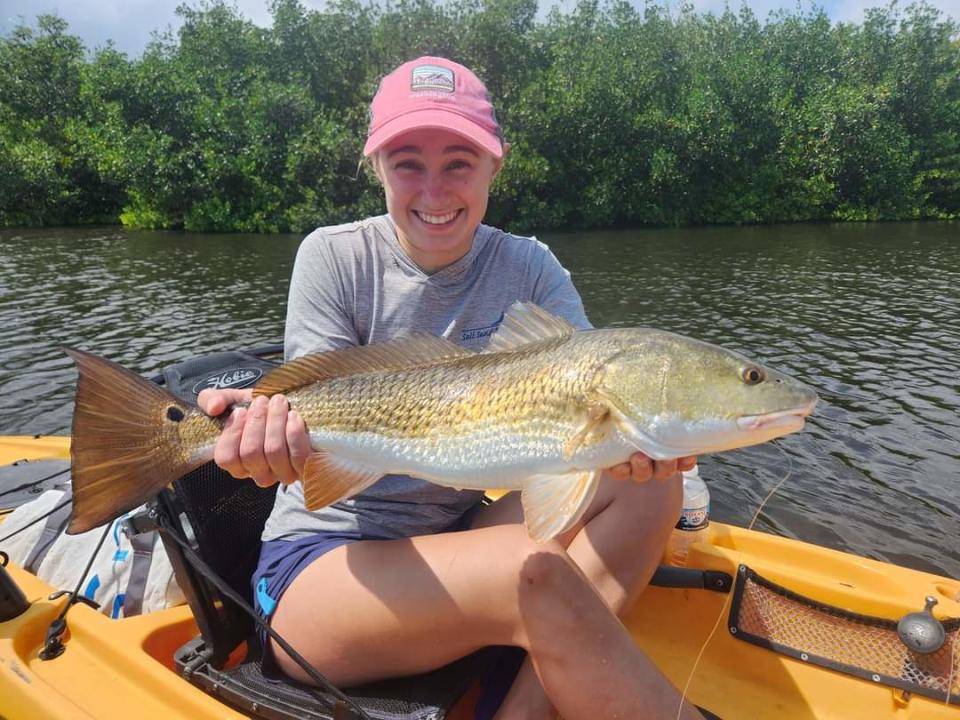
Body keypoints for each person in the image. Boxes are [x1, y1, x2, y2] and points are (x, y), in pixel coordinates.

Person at [198, 56, 703, 720]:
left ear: (496, 164)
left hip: (454, 526)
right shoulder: (333, 257)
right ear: (374, 165)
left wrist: (640, 442)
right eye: (408, 163)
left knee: (653, 485)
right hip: (324, 569)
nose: (434, 193)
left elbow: (589, 397)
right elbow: (311, 411)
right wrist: (264, 432)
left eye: (459, 163)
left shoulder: (529, 264)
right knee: (540, 575)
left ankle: (522, 709)